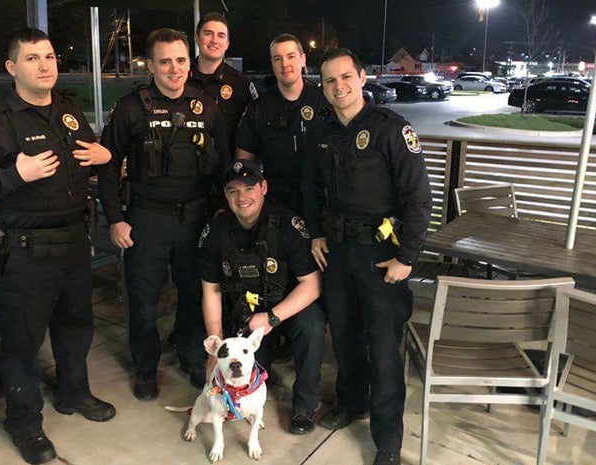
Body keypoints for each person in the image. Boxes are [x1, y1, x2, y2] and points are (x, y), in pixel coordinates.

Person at [0, 28, 116, 465]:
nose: (44, 65)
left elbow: (86, 157)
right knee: (22, 343)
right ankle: (24, 423)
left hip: (74, 242)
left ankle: (73, 393)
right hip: (25, 252)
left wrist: (104, 156)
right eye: (32, 58)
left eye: (48, 56)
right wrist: (15, 175)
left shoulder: (68, 110)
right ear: (12, 68)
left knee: (75, 326)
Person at [301, 48, 432, 465]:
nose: (339, 87)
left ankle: (388, 440)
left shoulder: (391, 128)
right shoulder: (321, 131)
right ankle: (352, 402)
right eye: (329, 81)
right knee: (344, 338)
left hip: (381, 257)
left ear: (361, 77)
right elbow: (311, 189)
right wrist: (317, 234)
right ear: (322, 88)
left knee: (383, 348)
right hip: (338, 254)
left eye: (345, 77)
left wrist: (407, 257)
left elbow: (418, 196)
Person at [97, 28, 228, 401]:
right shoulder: (130, 108)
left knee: (192, 295)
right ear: (151, 65)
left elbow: (221, 167)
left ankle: (190, 357)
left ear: (190, 62)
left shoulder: (207, 106)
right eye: (165, 61)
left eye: (181, 60)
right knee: (143, 300)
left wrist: (222, 216)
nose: (175, 69)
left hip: (196, 219)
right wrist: (115, 218)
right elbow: (108, 166)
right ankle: (144, 368)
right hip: (147, 218)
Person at [198, 158, 326, 435]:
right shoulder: (216, 230)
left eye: (249, 188)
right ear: (226, 195)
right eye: (233, 191)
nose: (242, 197)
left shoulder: (288, 224)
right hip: (246, 313)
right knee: (243, 374)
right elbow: (210, 289)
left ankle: (305, 405)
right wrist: (216, 346)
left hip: (287, 307)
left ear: (264, 187)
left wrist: (271, 318)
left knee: (312, 327)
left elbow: (312, 285)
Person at [235, 33, 327, 212]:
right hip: (276, 207)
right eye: (278, 59)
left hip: (322, 206)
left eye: (291, 56)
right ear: (272, 64)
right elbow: (243, 164)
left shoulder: (324, 102)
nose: (285, 64)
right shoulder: (258, 109)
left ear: (302, 59)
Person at [188, 12, 258, 157]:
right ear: (196, 38)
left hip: (227, 171)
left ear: (227, 44)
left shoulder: (242, 84)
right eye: (208, 33)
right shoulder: (181, 78)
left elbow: (255, 131)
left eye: (221, 36)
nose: (214, 40)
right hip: (186, 171)